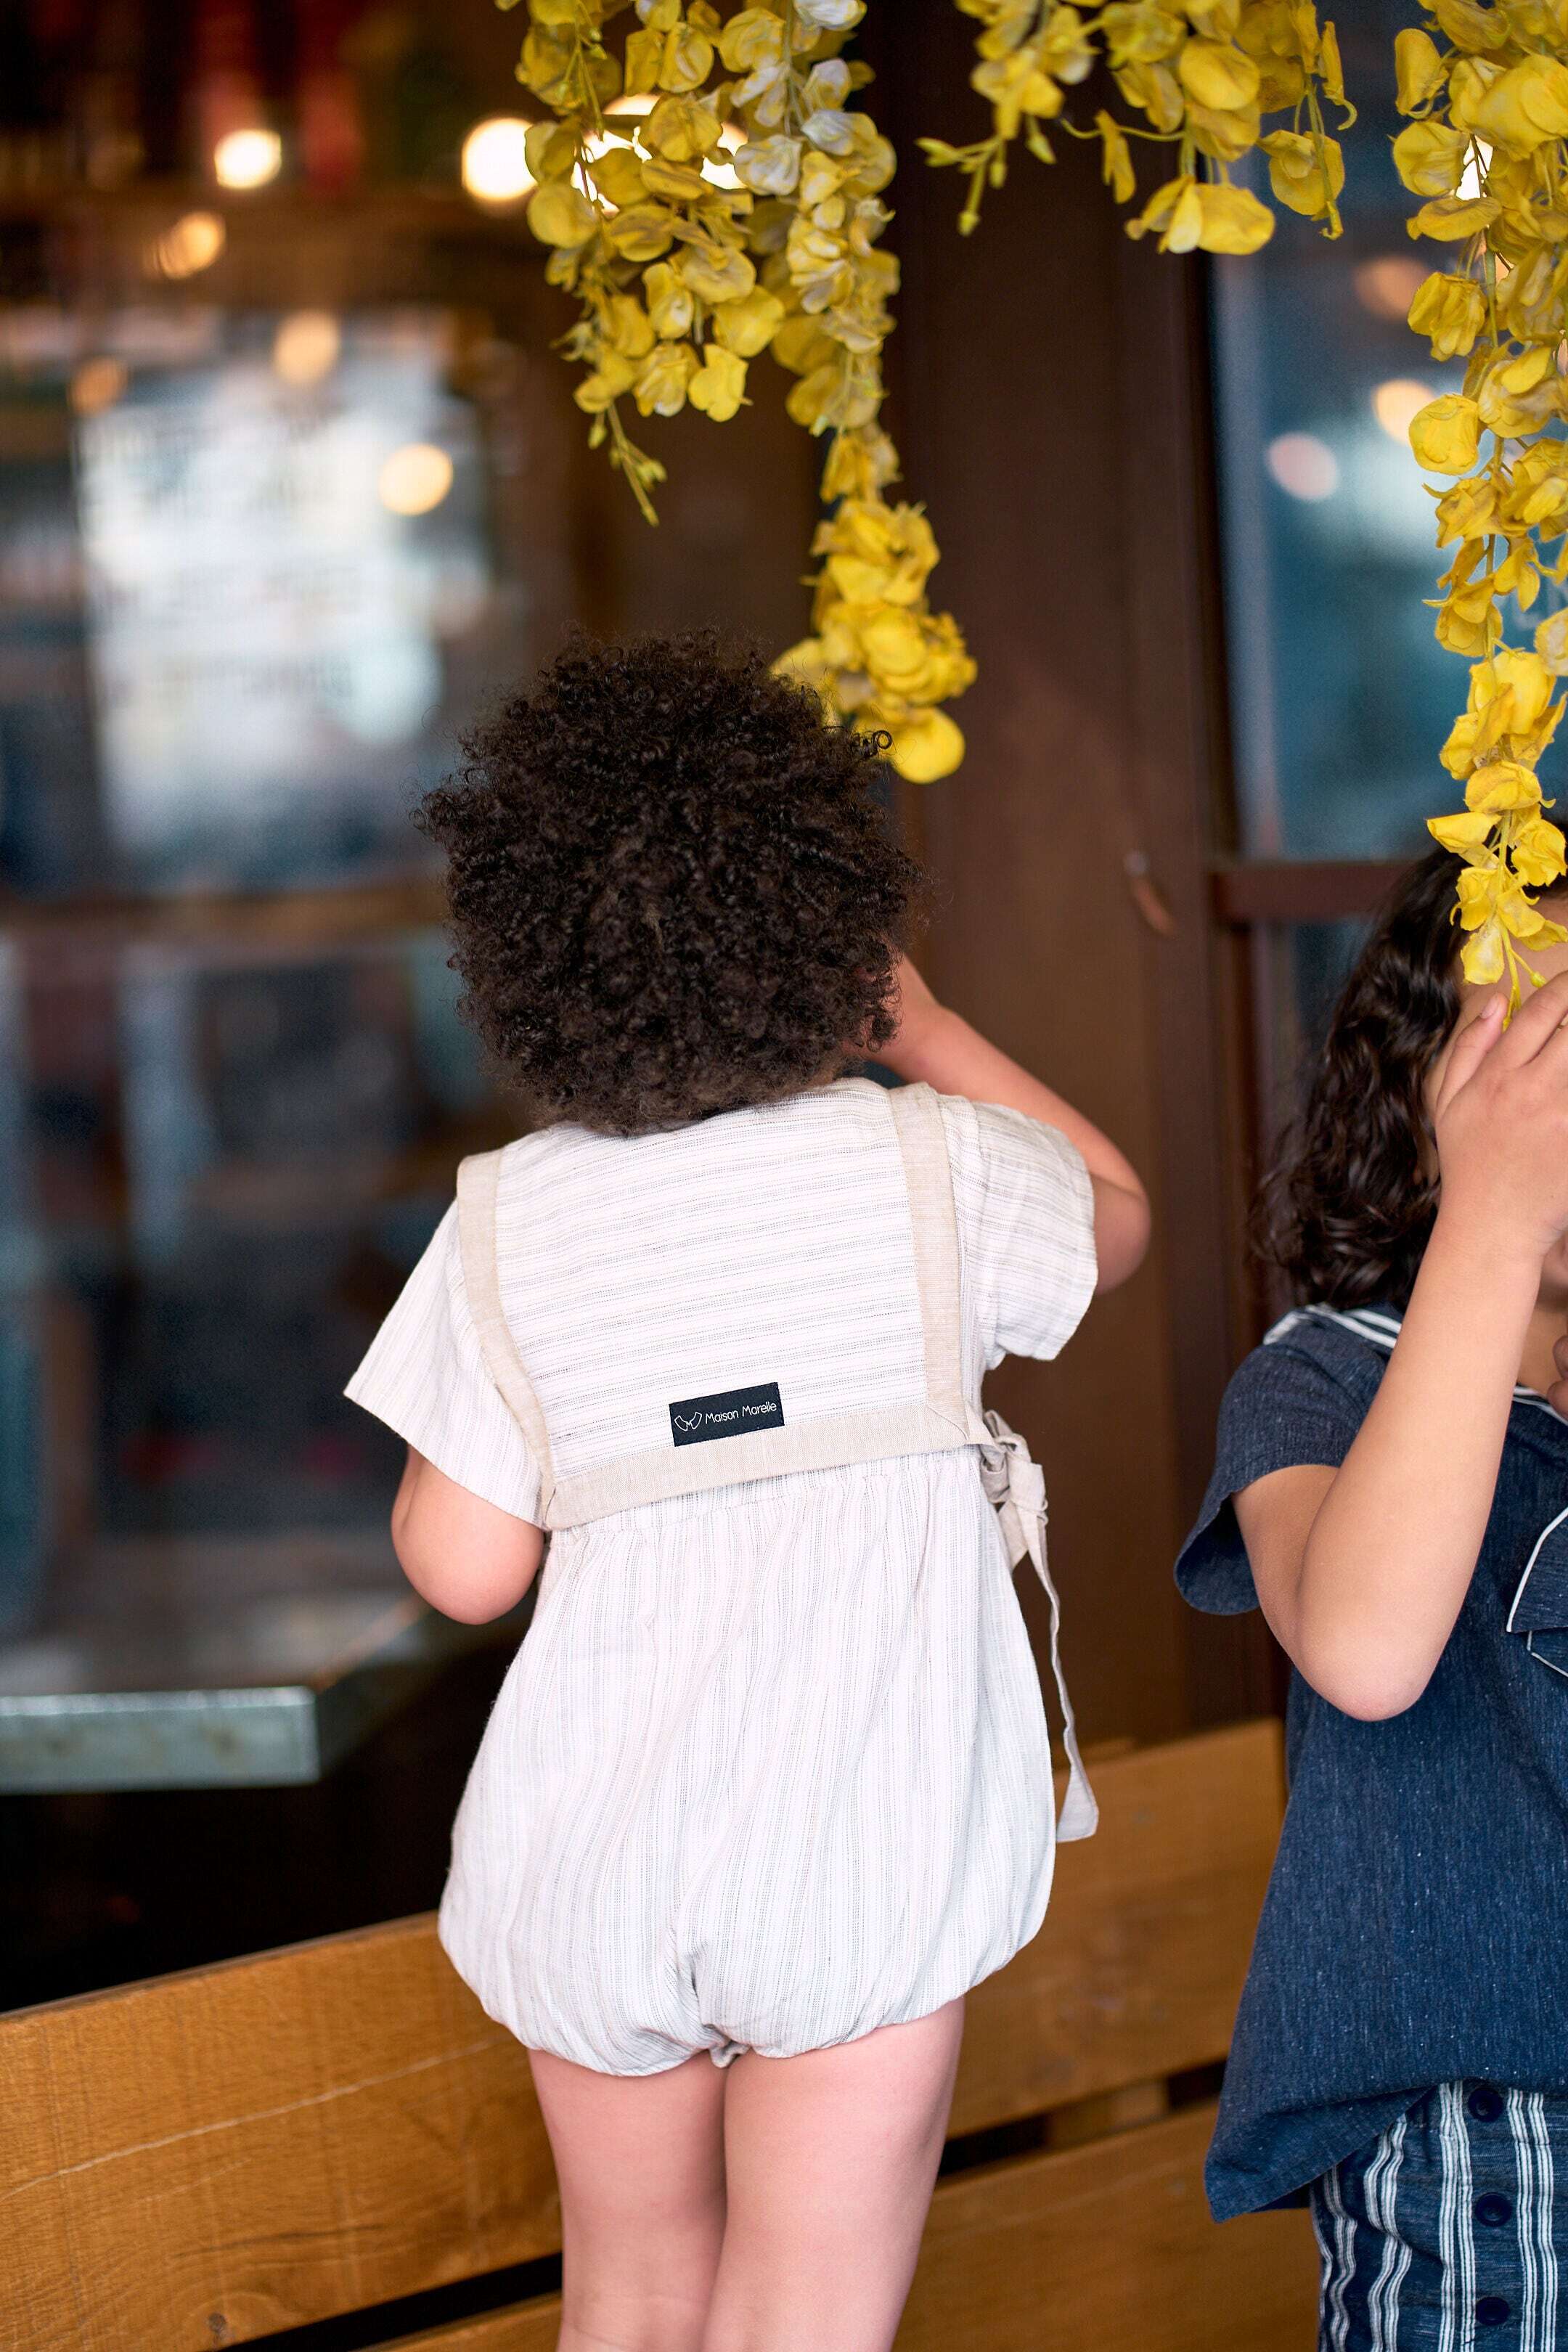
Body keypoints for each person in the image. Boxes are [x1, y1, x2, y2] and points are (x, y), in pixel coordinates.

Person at [345, 632, 1148, 2352]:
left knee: (631, 2304)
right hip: (857, 1850)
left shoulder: (508, 1215)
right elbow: (1118, 1218)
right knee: (806, 2318)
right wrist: (928, 1030)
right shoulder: (931, 1169)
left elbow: (464, 1571)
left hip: (592, 1864)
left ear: (527, 957)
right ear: (829, 922)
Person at [1179, 845, 1568, 2347]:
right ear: (1417, 1096)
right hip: (1481, 2152)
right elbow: (1364, 1650)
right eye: (1518, 1046)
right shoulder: (1322, 1380)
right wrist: (1498, 1218)